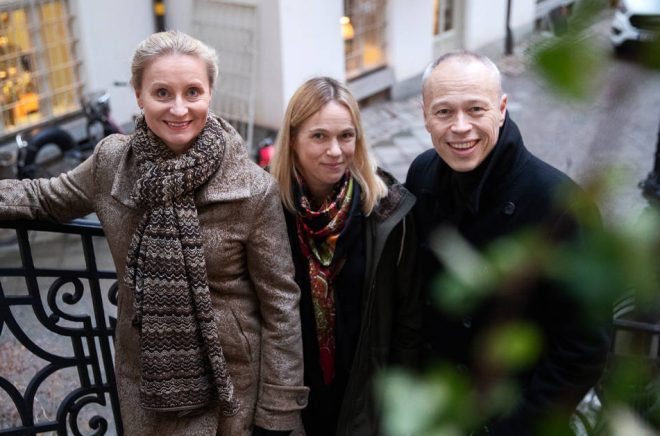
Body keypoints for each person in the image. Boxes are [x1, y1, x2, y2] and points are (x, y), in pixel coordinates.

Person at [0, 30, 308, 436]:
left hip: (231, 386)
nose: (179, 108)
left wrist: (278, 412)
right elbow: (43, 197)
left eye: (193, 92)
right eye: (162, 93)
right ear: (138, 95)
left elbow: (280, 305)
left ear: (210, 94)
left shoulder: (251, 188)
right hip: (145, 379)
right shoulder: (111, 162)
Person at [405, 51, 611, 435]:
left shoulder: (559, 204)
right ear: (424, 115)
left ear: (501, 109)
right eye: (444, 112)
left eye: (476, 109)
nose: (460, 127)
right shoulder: (421, 174)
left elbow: (584, 349)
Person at [270, 77, 419, 436]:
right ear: (293, 139)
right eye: (319, 136)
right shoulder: (267, 210)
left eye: (346, 136)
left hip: (365, 399)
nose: (335, 151)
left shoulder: (387, 210)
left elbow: (408, 318)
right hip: (295, 399)